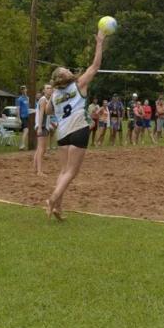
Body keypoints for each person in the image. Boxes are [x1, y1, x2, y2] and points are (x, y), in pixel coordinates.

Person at [45, 29, 105, 220]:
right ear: (65, 77)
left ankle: (58, 208)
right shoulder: (79, 84)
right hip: (78, 129)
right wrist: (100, 42)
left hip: (62, 134)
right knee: (72, 172)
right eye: (66, 70)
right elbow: (95, 66)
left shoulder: (55, 94)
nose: (69, 70)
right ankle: (53, 199)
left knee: (64, 171)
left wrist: (50, 96)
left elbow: (48, 112)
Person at [33, 84, 53, 176]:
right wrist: (40, 127)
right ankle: (39, 171)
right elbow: (41, 114)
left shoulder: (47, 100)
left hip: (45, 126)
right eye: (47, 88)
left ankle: (35, 168)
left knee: (40, 149)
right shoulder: (43, 99)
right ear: (44, 91)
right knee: (42, 149)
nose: (49, 89)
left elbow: (47, 115)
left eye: (50, 88)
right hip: (42, 126)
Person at [16, 85, 30, 150]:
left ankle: (21, 145)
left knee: (22, 132)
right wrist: (18, 118)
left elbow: (28, 108)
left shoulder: (27, 98)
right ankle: (22, 144)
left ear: (26, 89)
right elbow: (18, 109)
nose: (24, 90)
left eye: (24, 89)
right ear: (21, 91)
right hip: (22, 116)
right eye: (22, 89)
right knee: (26, 130)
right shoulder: (19, 99)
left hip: (27, 116)